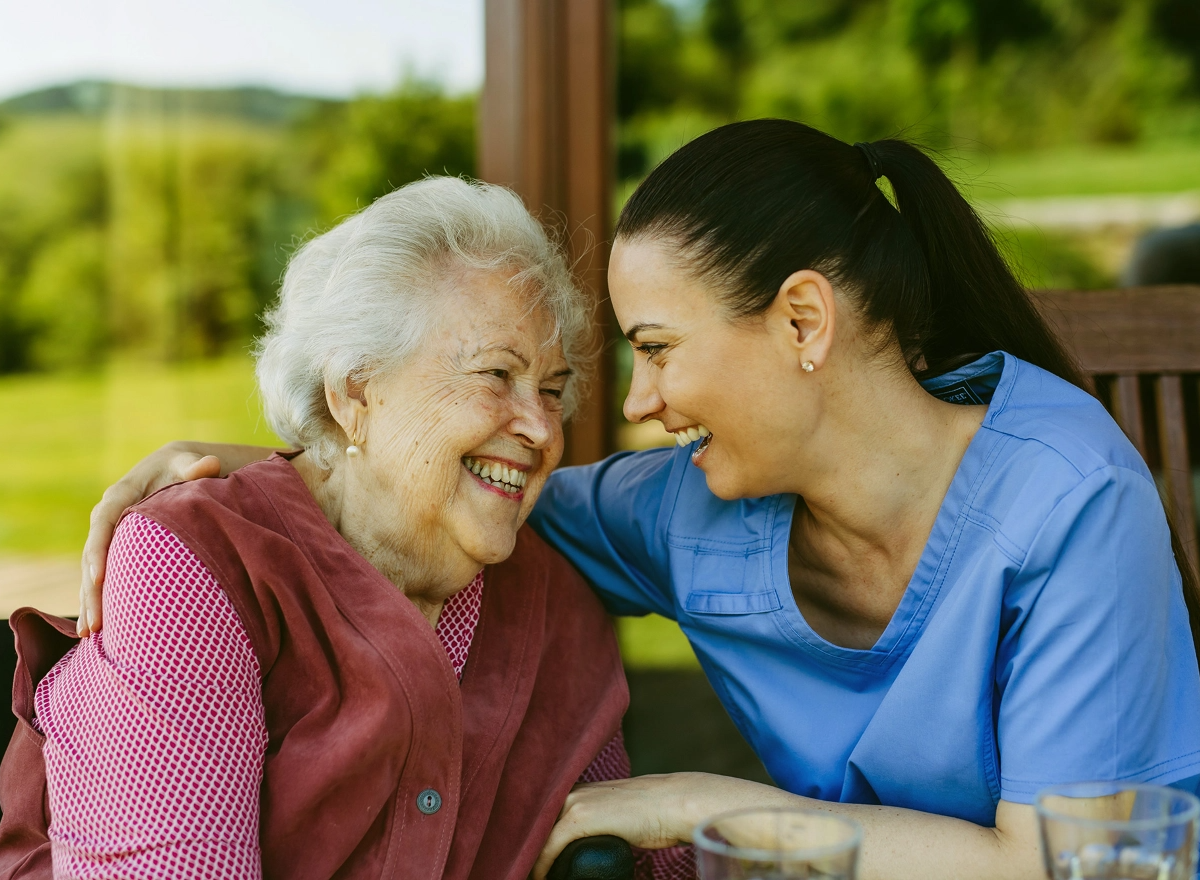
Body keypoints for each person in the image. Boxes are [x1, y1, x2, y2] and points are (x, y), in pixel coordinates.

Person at [78, 121, 1200, 880]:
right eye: (616, 364)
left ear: (803, 323)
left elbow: (1077, 867)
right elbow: (464, 493)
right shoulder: (690, 508)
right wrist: (317, 451)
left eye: (655, 349)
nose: (642, 403)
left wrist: (707, 807)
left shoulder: (1069, 499)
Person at [0, 178, 685, 880]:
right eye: (496, 374)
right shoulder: (196, 568)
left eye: (550, 389)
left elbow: (614, 859)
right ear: (354, 393)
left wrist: (739, 825)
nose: (542, 427)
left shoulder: (556, 598)